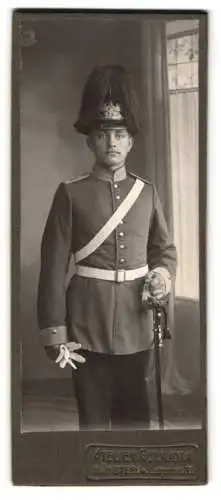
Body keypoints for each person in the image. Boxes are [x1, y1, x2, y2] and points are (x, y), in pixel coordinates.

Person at [37, 65, 177, 430]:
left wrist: (161, 274)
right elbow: (53, 267)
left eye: (120, 134)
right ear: (90, 141)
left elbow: (163, 250)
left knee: (136, 419)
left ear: (131, 141)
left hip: (137, 320)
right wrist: (56, 333)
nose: (112, 142)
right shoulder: (70, 192)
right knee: (94, 422)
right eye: (103, 134)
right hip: (87, 323)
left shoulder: (146, 192)